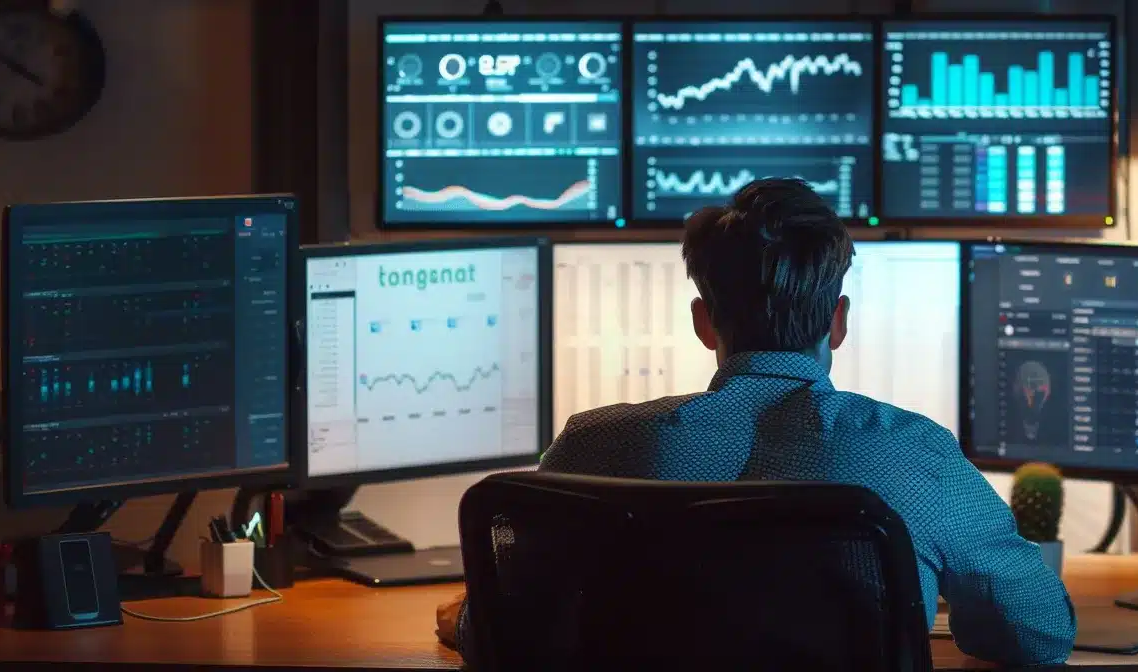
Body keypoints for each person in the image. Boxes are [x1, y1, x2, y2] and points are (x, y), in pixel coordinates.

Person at [437, 177, 1076, 666]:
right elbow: (1040, 632)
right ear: (839, 322)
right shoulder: (911, 455)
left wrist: (466, 616)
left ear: (703, 321)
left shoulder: (595, 446)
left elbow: (498, 629)